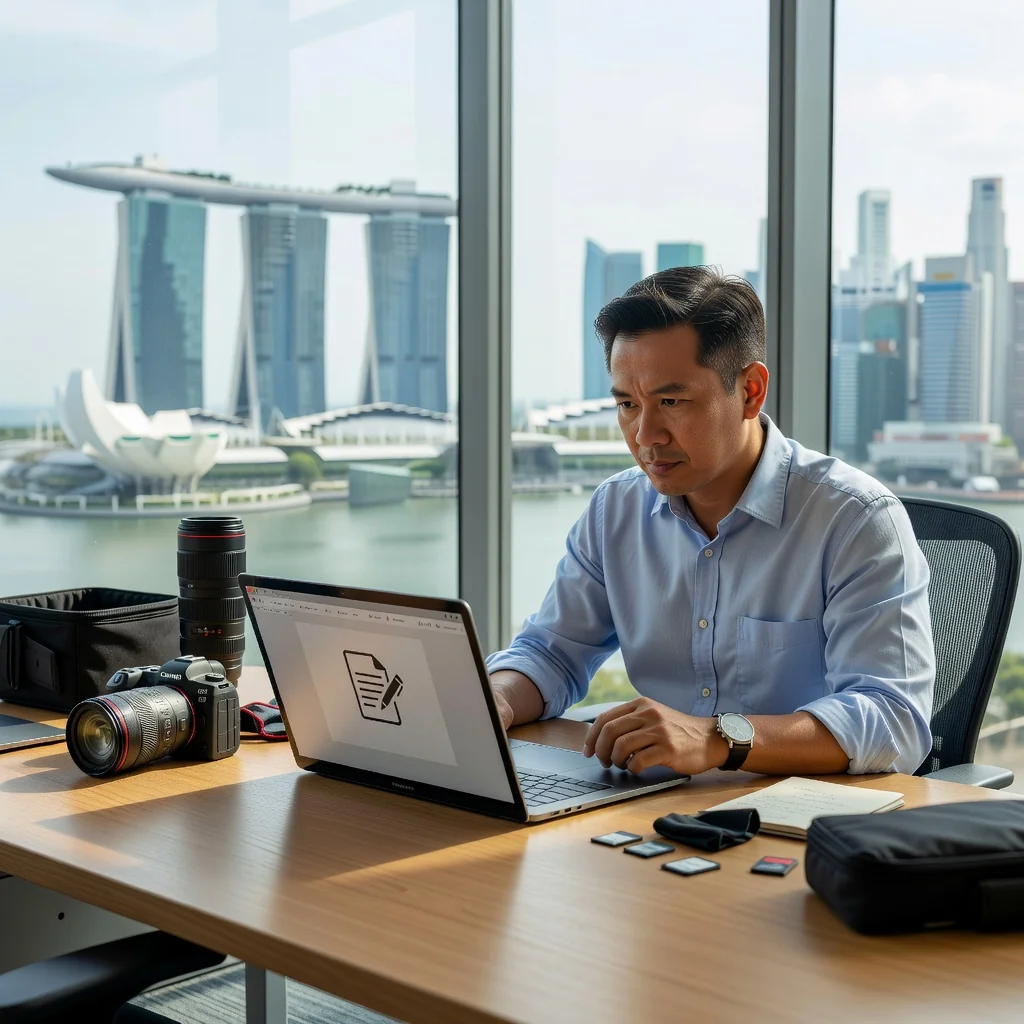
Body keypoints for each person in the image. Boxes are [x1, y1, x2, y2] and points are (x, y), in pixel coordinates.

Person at [487, 266, 935, 778]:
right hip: (651, 801)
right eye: (627, 404)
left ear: (750, 391)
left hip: (799, 809)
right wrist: (494, 700)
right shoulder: (616, 510)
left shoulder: (855, 519)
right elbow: (550, 654)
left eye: (671, 402)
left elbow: (892, 719)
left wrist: (718, 738)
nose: (645, 435)